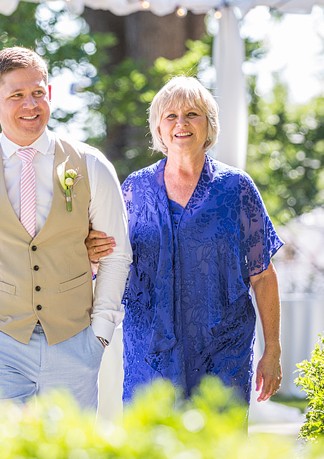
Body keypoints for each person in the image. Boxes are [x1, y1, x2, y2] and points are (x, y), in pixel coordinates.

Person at [0, 46, 131, 410]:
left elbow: (117, 254)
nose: (31, 105)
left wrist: (101, 331)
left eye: (38, 92)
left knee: (70, 447)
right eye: (16, 95)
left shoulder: (91, 164)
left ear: (49, 93)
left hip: (74, 342)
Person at [86, 76, 283, 406]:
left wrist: (273, 350)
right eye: (171, 116)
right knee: (151, 436)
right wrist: (92, 255)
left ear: (209, 124)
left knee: (220, 436)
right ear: (159, 129)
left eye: (192, 114)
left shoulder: (237, 188)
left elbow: (262, 275)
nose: (182, 123)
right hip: (150, 352)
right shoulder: (134, 190)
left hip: (223, 351)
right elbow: (110, 261)